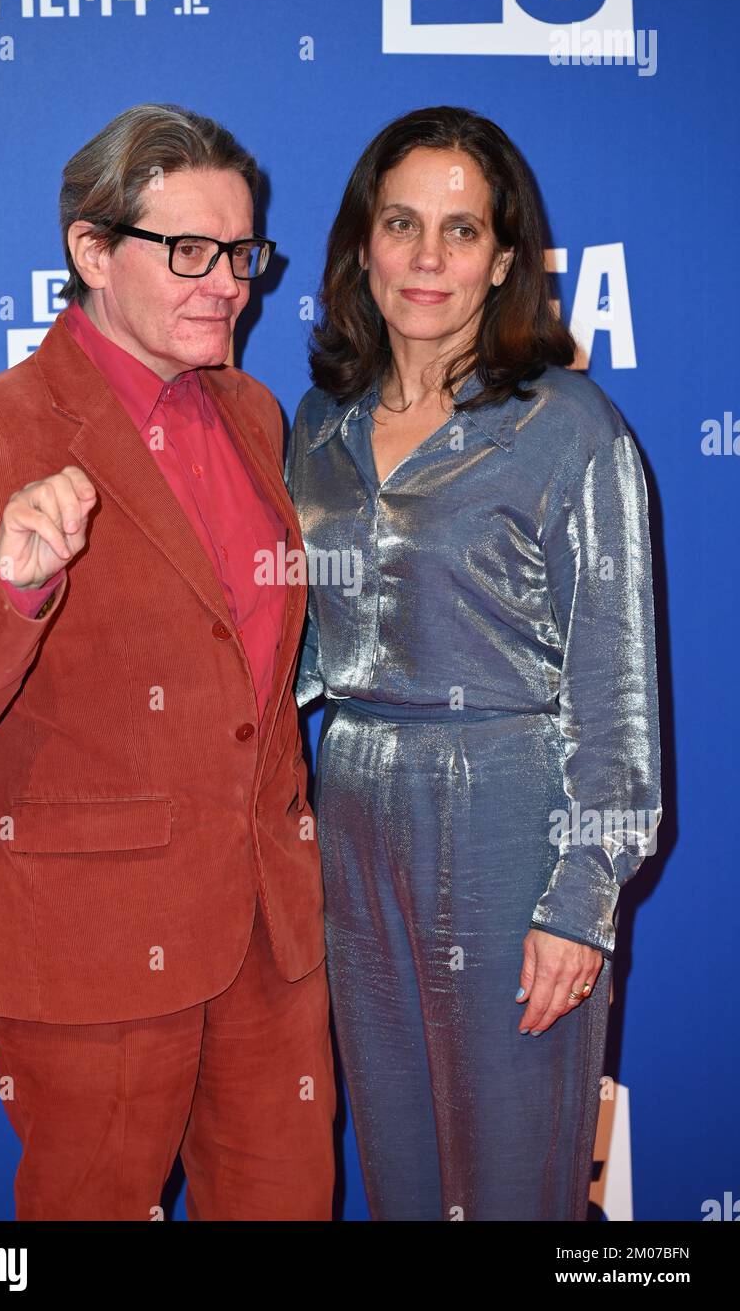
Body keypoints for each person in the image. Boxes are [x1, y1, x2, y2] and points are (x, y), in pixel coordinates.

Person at [0, 103, 334, 1221]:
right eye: (188, 251)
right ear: (90, 250)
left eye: (242, 253)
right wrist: (14, 586)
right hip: (89, 958)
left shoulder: (253, 412)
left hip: (271, 943)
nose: (227, 283)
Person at [285, 105, 662, 1221]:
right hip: (353, 811)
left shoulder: (569, 428)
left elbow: (617, 691)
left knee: (512, 1189)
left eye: (462, 230)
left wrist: (582, 901)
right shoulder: (317, 424)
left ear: (505, 260)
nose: (428, 258)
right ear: (364, 242)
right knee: (401, 1177)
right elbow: (288, 643)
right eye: (403, 223)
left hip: (511, 818)